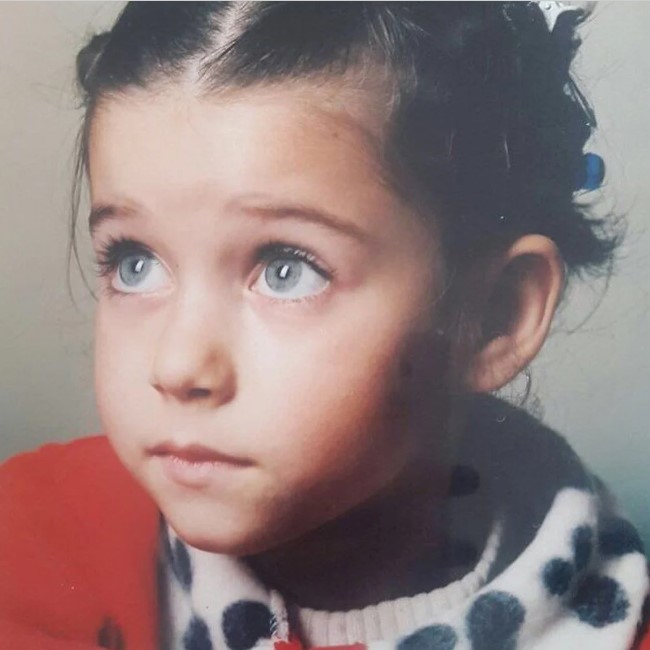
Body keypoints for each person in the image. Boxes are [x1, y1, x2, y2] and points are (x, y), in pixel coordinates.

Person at [0, 2, 647, 649]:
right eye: (135, 263)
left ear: (493, 317)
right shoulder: (33, 538)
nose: (176, 366)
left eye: (286, 269)